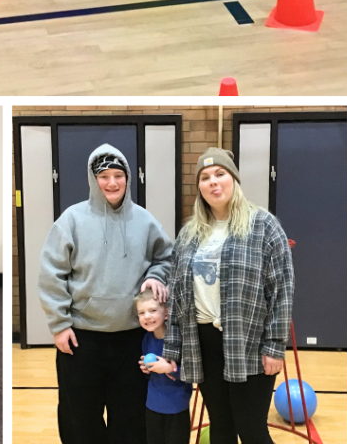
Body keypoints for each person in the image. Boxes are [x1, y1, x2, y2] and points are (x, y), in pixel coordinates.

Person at [38, 145, 173, 444]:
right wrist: (59, 325)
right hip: (82, 338)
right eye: (104, 176)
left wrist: (154, 276)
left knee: (130, 416)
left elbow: (166, 258)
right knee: (80, 415)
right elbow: (51, 273)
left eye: (118, 175)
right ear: (92, 179)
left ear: (128, 178)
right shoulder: (71, 220)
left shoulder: (145, 221)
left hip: (132, 338)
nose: (112, 183)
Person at [163, 149, 294, 444]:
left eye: (220, 174)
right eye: (205, 177)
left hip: (249, 342)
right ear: (199, 187)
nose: (213, 182)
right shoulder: (189, 235)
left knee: (251, 430)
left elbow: (282, 289)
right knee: (221, 427)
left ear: (234, 179)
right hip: (205, 342)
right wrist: (172, 350)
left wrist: (274, 345)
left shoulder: (263, 225)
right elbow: (177, 298)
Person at [136, 288, 192, 444]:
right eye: (141, 313)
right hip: (152, 406)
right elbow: (150, 375)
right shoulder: (147, 338)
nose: (147, 316)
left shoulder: (177, 339)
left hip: (177, 407)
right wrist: (147, 370)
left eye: (153, 310)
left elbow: (190, 374)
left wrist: (169, 369)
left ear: (166, 313)